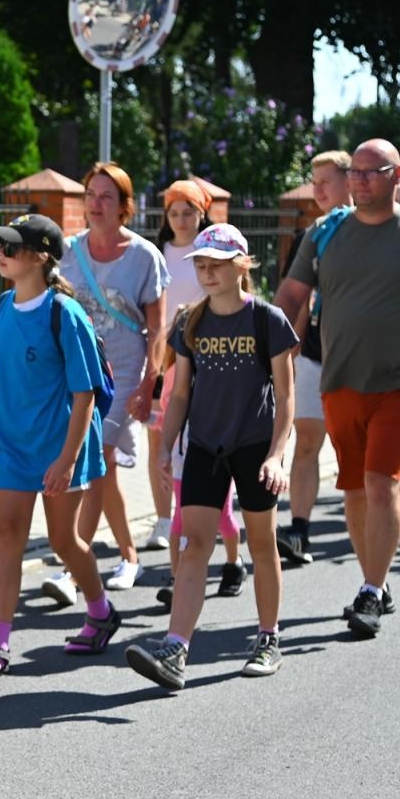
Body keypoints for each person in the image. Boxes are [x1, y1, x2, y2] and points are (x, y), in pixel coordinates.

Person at [275, 139, 400, 637]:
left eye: (373, 172)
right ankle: (379, 583)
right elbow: (290, 296)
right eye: (356, 173)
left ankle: (369, 587)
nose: (361, 180)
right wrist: (273, 356)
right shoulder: (325, 232)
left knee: (382, 481)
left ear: (396, 174)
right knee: (353, 488)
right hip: (340, 380)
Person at [127, 224, 297, 689]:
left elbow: (286, 395)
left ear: (242, 265)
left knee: (261, 543)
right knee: (194, 544)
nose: (206, 272)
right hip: (204, 445)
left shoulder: (267, 320)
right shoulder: (190, 322)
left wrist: (278, 455)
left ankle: (268, 638)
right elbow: (179, 392)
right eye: (200, 264)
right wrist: (165, 446)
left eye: (216, 264)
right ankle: (175, 648)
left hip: (255, 445)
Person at [0, 214, 111, 683]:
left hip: (58, 446)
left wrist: (67, 459)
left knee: (64, 541)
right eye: (0, 247)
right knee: (9, 535)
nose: (1, 254)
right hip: (11, 446)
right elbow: (2, 382)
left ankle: (101, 611)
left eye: (11, 247)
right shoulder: (1, 306)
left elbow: (85, 392)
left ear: (41, 256)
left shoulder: (64, 313)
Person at [47, 163, 167, 597]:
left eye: (107, 197)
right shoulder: (67, 251)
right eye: (91, 196)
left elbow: (158, 329)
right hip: (78, 376)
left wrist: (147, 384)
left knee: (98, 458)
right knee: (102, 470)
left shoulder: (144, 256)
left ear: (124, 207)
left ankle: (73, 566)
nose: (96, 205)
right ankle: (127, 554)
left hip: (122, 376)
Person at [150, 179, 245, 598]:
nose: (181, 219)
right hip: (175, 362)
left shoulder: (216, 262)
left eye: (188, 211)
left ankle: (233, 559)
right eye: (174, 212)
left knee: (220, 510)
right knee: (179, 492)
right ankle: (178, 576)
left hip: (215, 369)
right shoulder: (160, 255)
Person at [277, 152, 352, 565]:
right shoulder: (312, 235)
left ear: (350, 181)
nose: (318, 189)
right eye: (314, 180)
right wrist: (289, 354)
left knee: (352, 452)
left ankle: (365, 528)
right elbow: (297, 299)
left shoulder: (369, 230)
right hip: (314, 357)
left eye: (327, 180)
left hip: (360, 362)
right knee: (307, 441)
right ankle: (299, 529)